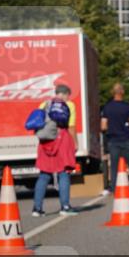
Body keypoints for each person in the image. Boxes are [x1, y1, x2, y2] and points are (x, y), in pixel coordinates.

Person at [32, 84, 81, 216]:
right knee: (64, 173)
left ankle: (37, 209)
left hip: (45, 142)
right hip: (62, 140)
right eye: (68, 96)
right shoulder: (69, 105)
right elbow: (71, 126)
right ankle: (65, 207)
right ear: (65, 94)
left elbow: (39, 124)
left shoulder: (44, 104)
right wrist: (75, 143)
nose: (68, 98)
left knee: (44, 175)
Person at [100, 83, 129, 195]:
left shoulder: (107, 107)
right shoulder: (127, 106)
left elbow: (103, 126)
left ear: (113, 92)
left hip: (113, 141)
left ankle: (115, 190)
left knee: (114, 167)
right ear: (123, 92)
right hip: (128, 139)